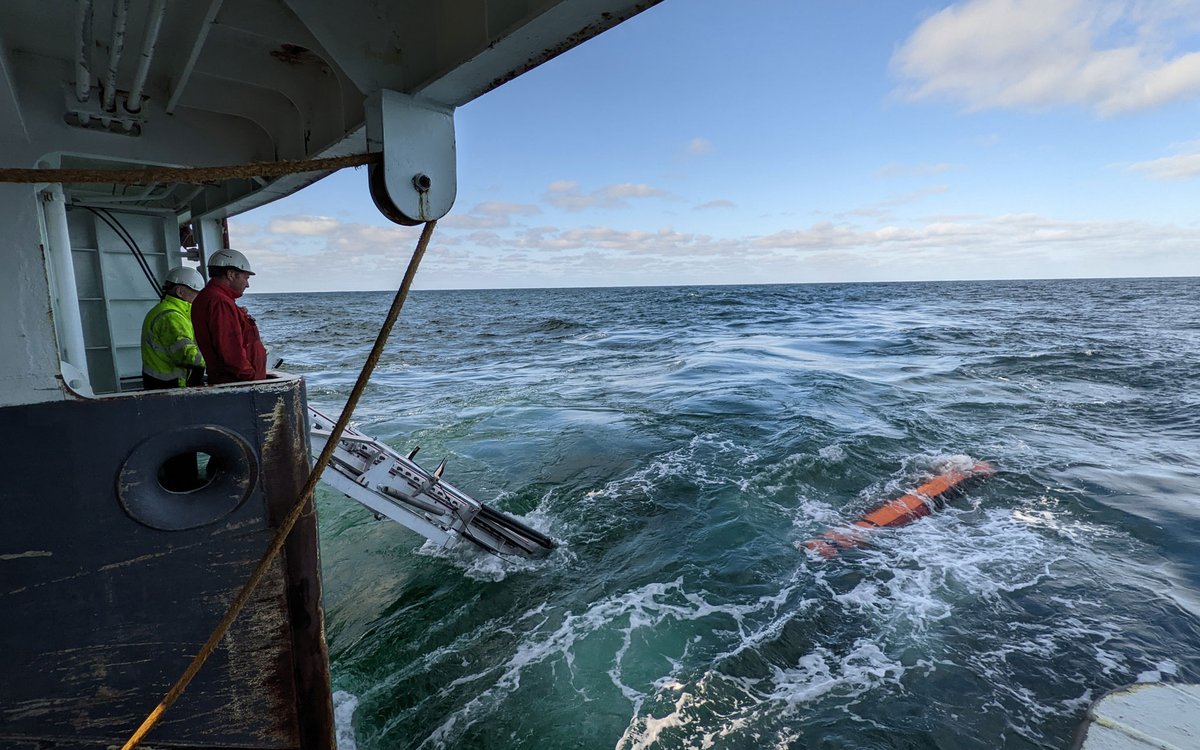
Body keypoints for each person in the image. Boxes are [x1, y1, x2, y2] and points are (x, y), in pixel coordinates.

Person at [191, 248, 267, 385]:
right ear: (231, 274)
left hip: (229, 382)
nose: (247, 284)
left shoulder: (210, 298)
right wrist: (251, 379)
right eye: (245, 277)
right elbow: (231, 353)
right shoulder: (220, 302)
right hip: (237, 384)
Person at [141, 266, 206, 390]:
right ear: (180, 292)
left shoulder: (166, 310)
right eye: (196, 293)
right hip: (170, 387)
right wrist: (215, 360)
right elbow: (188, 356)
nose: (199, 298)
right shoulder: (171, 317)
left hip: (160, 384)